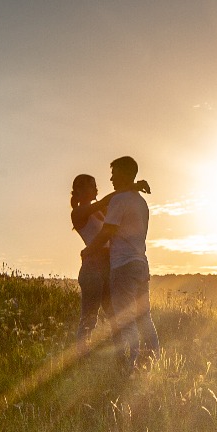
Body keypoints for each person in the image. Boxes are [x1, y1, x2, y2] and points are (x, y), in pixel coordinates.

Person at [90, 155, 160, 368]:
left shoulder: (120, 200)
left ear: (125, 174)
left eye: (114, 173)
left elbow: (108, 230)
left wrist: (89, 249)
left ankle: (130, 365)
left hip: (123, 265)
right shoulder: (141, 201)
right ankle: (154, 361)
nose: (111, 178)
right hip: (141, 263)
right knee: (144, 316)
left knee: (125, 317)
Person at [70, 173, 111, 346]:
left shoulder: (99, 210)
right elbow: (104, 202)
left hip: (108, 266)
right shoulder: (78, 212)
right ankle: (81, 355)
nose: (96, 188)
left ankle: (119, 356)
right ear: (80, 190)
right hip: (92, 268)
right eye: (91, 185)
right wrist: (127, 188)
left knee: (114, 313)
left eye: (95, 185)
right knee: (89, 317)